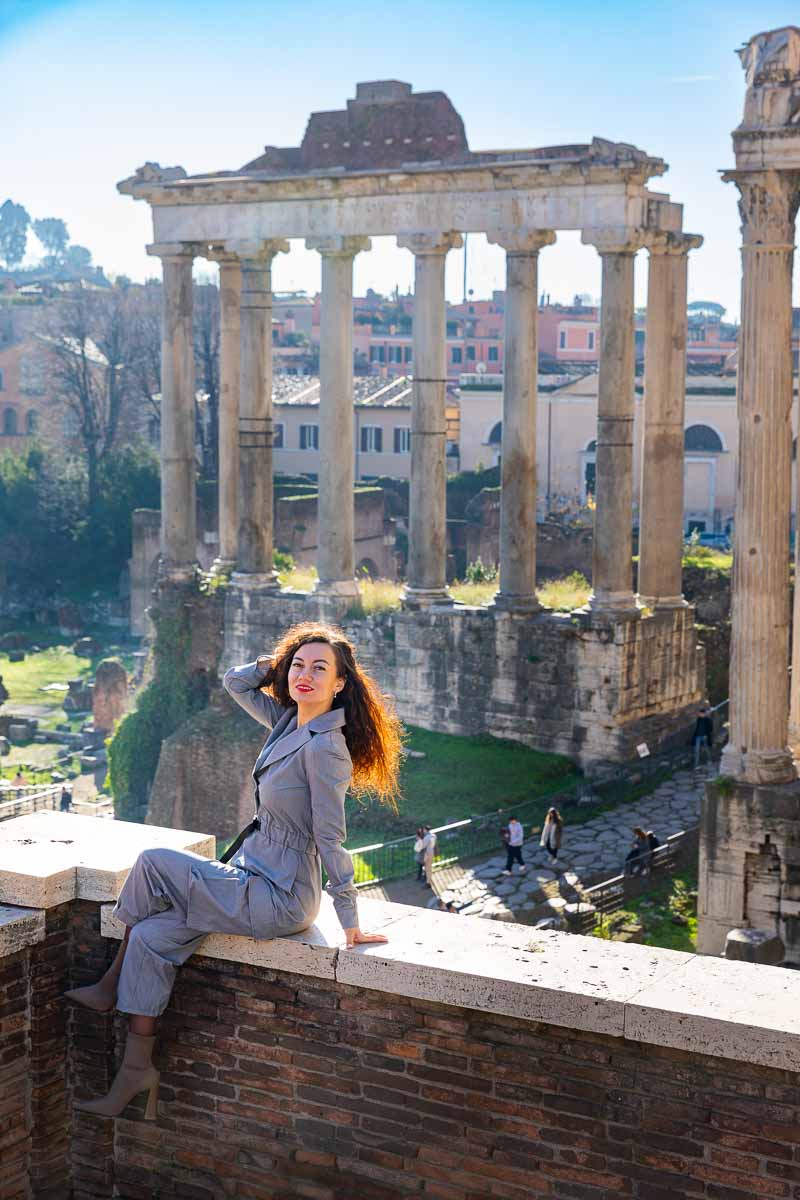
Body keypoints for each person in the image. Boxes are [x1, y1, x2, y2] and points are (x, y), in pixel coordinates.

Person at [65, 621, 402, 1119]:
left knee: (153, 863)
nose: (304, 676)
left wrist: (350, 920)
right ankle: (137, 1072)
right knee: (154, 937)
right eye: (299, 666)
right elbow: (234, 681)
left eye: (320, 669)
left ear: (341, 684)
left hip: (280, 895)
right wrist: (280, 663)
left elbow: (332, 837)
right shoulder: (290, 723)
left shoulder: (326, 749)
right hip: (251, 875)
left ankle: (111, 983)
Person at [691, 704, 714, 770]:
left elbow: (711, 729)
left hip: (704, 737)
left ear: (703, 714)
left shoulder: (708, 720)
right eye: (699, 713)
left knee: (706, 750)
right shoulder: (698, 719)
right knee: (696, 751)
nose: (699, 714)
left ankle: (709, 760)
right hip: (697, 737)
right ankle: (696, 765)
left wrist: (706, 735)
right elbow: (697, 728)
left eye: (700, 714)